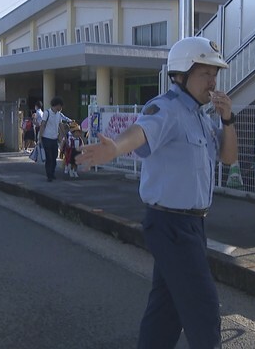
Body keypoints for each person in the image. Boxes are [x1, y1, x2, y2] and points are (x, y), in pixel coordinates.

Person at [77, 36, 237, 349]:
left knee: (166, 311)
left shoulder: (201, 118)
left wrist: (228, 119)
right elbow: (140, 132)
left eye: (214, 75)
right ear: (182, 73)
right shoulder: (167, 108)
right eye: (206, 73)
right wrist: (115, 149)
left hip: (192, 225)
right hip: (170, 224)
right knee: (203, 308)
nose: (213, 82)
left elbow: (228, 158)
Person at [38, 96, 72, 182]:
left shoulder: (58, 114)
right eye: (60, 106)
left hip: (54, 138)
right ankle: (49, 175)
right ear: (57, 105)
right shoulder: (47, 113)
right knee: (49, 158)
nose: (61, 108)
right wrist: (40, 137)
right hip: (46, 138)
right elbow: (43, 124)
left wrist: (65, 137)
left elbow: (61, 126)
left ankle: (52, 173)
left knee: (54, 157)